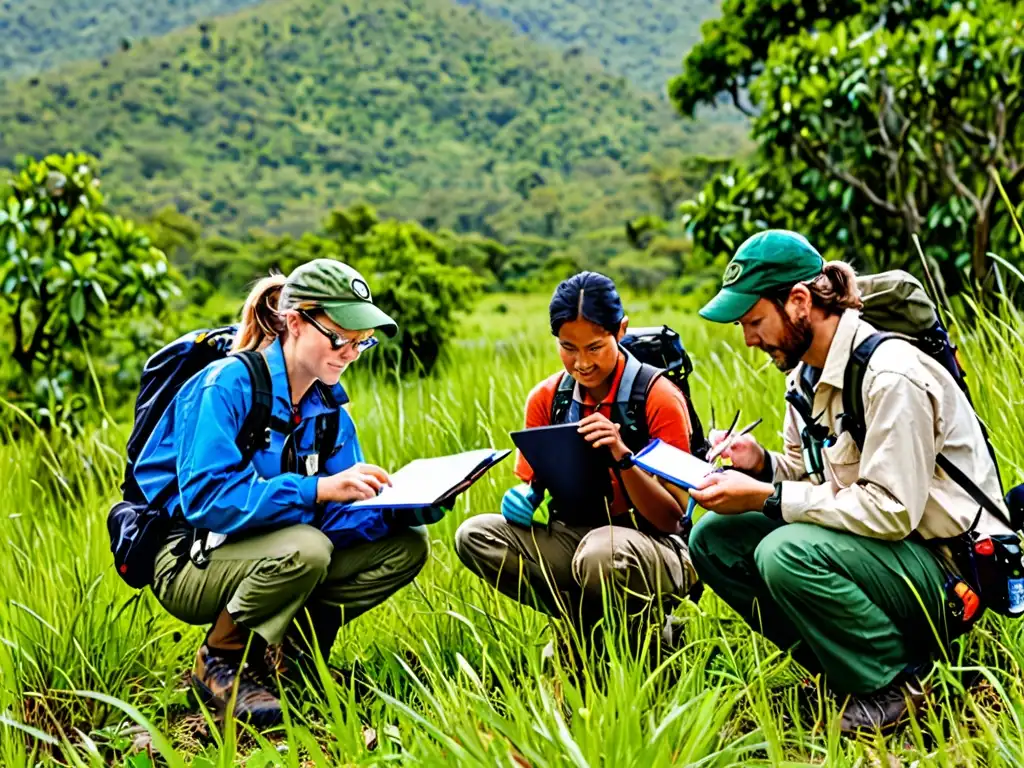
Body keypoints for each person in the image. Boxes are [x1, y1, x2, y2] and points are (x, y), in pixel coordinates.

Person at [687, 230, 1015, 732]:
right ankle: (842, 670)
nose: (749, 339)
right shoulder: (805, 376)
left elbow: (890, 510)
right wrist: (761, 465)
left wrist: (769, 497)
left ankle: (898, 683)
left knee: (785, 551)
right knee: (714, 538)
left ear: (799, 303)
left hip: (946, 566)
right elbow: (810, 475)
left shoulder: (890, 375)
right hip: (880, 553)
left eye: (754, 321)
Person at [134, 259, 441, 726]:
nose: (350, 353)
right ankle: (220, 661)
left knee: (405, 546)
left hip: (272, 547)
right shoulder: (226, 386)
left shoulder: (327, 405)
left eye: (362, 342)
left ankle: (293, 660)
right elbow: (204, 498)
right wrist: (315, 488)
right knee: (308, 548)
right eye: (340, 338)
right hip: (188, 558)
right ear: (295, 322)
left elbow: (338, 509)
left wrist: (402, 508)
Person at [455, 271, 699, 641]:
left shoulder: (657, 397)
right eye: (568, 348)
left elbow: (672, 520)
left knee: (600, 555)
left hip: (654, 546)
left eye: (595, 347)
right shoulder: (548, 399)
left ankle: (643, 633)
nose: (582, 363)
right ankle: (586, 628)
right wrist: (527, 498)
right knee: (474, 536)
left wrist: (622, 458)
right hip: (577, 536)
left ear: (621, 331)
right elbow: (537, 482)